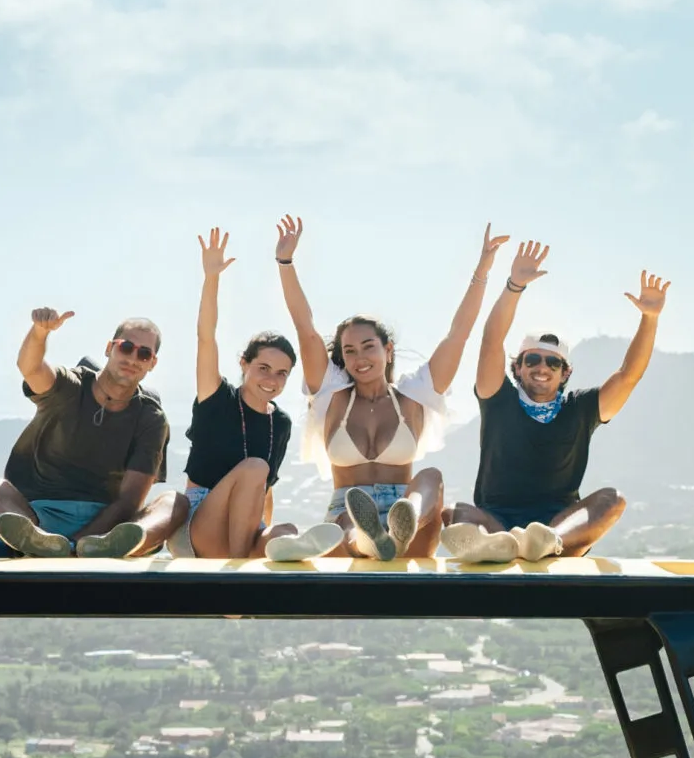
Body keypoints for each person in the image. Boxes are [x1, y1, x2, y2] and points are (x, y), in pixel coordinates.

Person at [269, 215, 506, 562]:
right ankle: (371, 540)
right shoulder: (331, 394)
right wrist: (286, 263)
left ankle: (400, 525)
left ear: (387, 350)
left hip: (410, 516)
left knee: (429, 476)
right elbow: (305, 327)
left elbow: (459, 333)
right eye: (349, 350)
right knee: (351, 524)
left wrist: (482, 270)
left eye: (368, 346)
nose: (359, 357)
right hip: (347, 511)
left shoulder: (414, 394)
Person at [441, 240, 668, 563]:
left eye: (553, 363)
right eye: (532, 359)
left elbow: (628, 375)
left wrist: (650, 317)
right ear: (517, 366)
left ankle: (542, 543)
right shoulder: (497, 398)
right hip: (497, 518)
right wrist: (514, 285)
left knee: (611, 499)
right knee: (456, 512)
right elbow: (491, 341)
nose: (542, 368)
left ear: (566, 373)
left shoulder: (581, 408)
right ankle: (502, 543)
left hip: (560, 525)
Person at [0, 309, 183, 559]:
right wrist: (40, 333)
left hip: (108, 531)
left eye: (144, 353)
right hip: (38, 522)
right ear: (109, 348)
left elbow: (129, 501)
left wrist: (80, 543)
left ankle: (104, 546)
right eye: (126, 347)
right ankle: (38, 543)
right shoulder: (69, 386)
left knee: (176, 503)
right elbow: (31, 368)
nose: (133, 358)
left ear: (152, 363)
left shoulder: (151, 418)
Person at [183, 227, 307, 559]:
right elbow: (205, 337)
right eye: (263, 368)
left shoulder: (279, 423)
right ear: (244, 364)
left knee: (286, 532)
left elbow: (265, 492)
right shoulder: (218, 398)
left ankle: (247, 578)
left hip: (242, 526)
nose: (271, 379)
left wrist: (265, 530)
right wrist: (212, 279)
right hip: (200, 523)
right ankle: (239, 578)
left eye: (282, 373)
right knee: (254, 466)